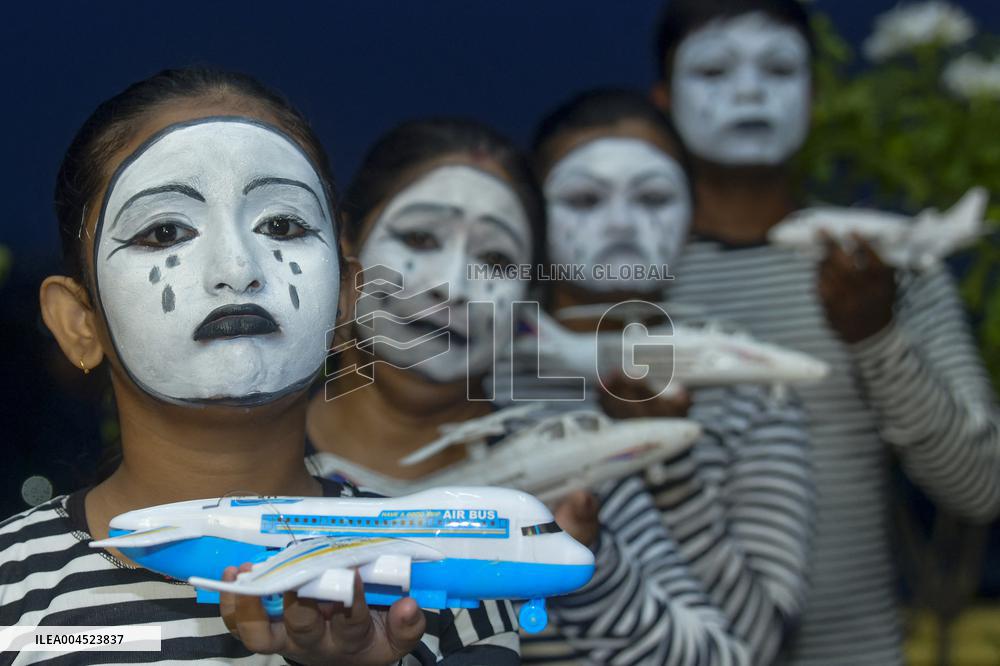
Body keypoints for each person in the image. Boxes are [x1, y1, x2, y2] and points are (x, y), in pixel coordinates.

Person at [0, 67, 518, 666]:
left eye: (282, 225)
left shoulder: (445, 572)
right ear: (79, 323)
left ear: (346, 296)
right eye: (165, 230)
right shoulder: (13, 592)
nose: (237, 267)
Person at [306, 116, 752, 664]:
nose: (453, 286)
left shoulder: (567, 471)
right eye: (420, 238)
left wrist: (586, 565)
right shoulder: (255, 457)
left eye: (495, 260)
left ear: (527, 298)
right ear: (348, 245)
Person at [650, 1, 1000, 663]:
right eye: (715, 70)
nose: (749, 90)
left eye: (778, 68)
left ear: (812, 98)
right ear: (665, 99)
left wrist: (876, 336)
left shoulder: (888, 268)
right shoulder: (620, 284)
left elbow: (982, 487)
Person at [519, 88, 812, 665]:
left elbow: (757, 647)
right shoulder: (470, 370)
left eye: (652, 197)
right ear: (528, 215)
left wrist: (667, 465)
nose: (621, 223)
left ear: (693, 212)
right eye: (583, 199)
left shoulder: (747, 378)